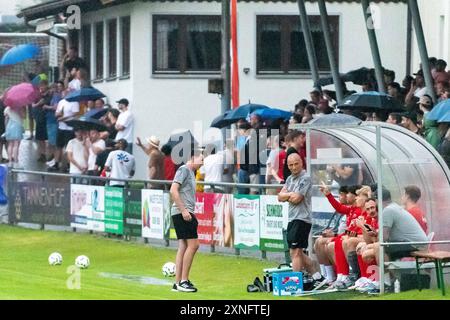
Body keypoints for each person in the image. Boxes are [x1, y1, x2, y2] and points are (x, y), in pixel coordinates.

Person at [277, 153, 325, 288]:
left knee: (296, 251)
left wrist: (287, 195)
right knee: (297, 252)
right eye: (290, 165)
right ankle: (318, 277)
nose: (293, 167)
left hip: (302, 218)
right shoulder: (289, 179)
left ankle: (294, 284)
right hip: (292, 218)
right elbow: (279, 197)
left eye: (295, 164)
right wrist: (288, 195)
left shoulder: (305, 178)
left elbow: (297, 198)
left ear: (301, 163)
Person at [170, 149, 204, 292]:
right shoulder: (184, 170)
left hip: (183, 212)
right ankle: (183, 281)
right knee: (194, 245)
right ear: (192, 157)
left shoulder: (191, 172)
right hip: (182, 212)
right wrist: (184, 210)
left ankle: (177, 283)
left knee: (183, 246)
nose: (202, 162)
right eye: (201, 159)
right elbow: (173, 190)